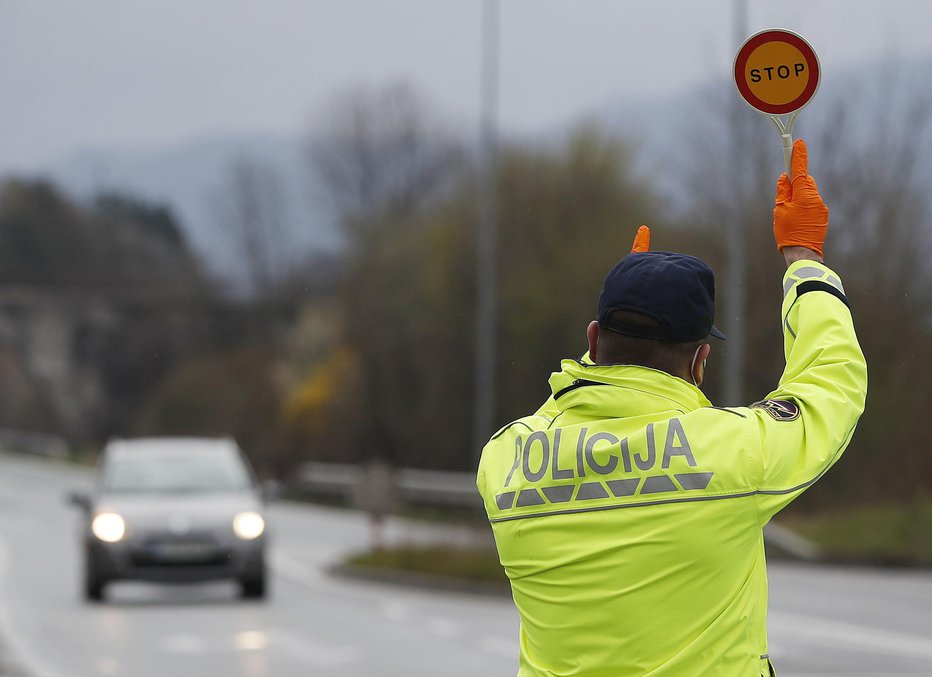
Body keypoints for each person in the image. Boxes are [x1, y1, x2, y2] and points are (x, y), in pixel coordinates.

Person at [476, 139, 867, 676]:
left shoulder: (505, 460)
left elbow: (563, 405)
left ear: (592, 340)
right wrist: (805, 263)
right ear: (700, 359)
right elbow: (830, 386)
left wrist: (629, 294)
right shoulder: (733, 454)